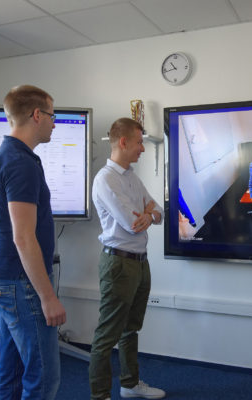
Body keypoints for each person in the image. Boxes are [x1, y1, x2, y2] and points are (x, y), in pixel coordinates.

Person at [0, 85, 66, 400]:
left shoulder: (12, 155)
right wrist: (48, 297)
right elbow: (23, 236)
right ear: (36, 115)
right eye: (52, 115)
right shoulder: (20, 162)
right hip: (20, 281)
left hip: (8, 276)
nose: (55, 123)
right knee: (43, 377)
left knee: (14, 371)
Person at [89, 118, 165, 400]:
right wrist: (146, 213)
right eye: (138, 142)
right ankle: (100, 395)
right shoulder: (105, 179)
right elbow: (131, 222)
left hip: (139, 262)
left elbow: (158, 211)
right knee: (108, 334)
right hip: (118, 264)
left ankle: (129, 385)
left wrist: (150, 213)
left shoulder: (131, 177)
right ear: (123, 142)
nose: (142, 148)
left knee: (131, 328)